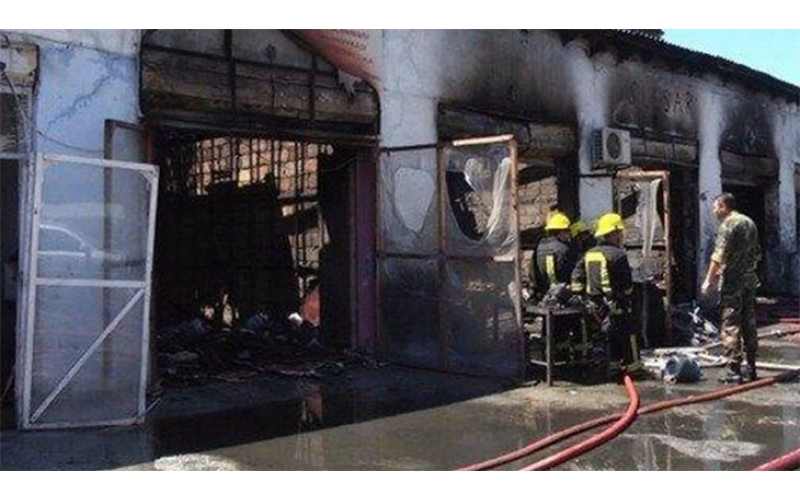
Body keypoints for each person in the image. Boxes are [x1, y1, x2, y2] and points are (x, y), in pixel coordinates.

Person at [571, 212, 641, 377]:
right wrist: (627, 297)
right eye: (620, 233)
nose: (621, 236)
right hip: (616, 303)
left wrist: (580, 293)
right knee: (628, 334)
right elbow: (627, 286)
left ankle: (613, 365)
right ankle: (632, 368)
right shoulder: (618, 255)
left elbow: (577, 276)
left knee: (607, 335)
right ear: (614, 233)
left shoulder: (589, 253)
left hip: (595, 306)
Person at [701, 192, 761, 384]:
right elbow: (756, 254)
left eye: (715, 207)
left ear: (723, 206)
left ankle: (734, 369)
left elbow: (718, 255)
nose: (713, 211)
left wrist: (708, 280)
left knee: (731, 324)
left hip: (733, 284)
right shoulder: (749, 222)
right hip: (749, 281)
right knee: (749, 323)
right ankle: (751, 367)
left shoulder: (728, 224)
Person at [532, 211, 575, 300]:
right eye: (568, 231)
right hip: (560, 292)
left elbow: (533, 269)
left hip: (543, 291)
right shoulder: (563, 249)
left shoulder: (540, 246)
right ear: (561, 232)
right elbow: (566, 272)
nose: (569, 234)